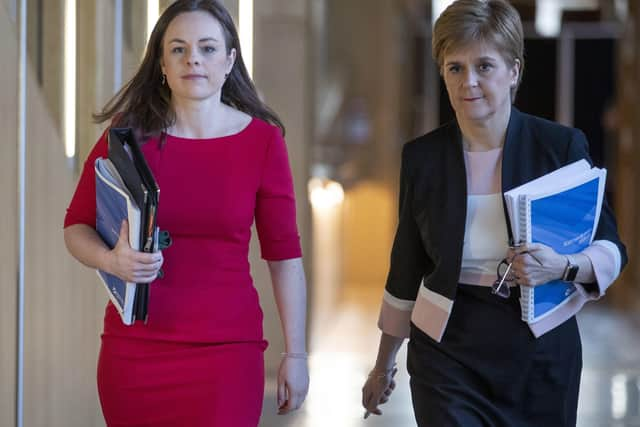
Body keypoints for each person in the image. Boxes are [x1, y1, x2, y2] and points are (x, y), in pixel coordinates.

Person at [361, 0, 627, 426]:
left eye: (484, 66)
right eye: (455, 68)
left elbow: (611, 246)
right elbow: (406, 269)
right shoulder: (422, 158)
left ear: (514, 71)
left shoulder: (558, 147)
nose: (468, 82)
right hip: (446, 352)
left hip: (539, 352)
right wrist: (383, 364)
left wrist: (563, 267)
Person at [63, 1, 309, 426]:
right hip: (135, 353)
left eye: (208, 48)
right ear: (161, 61)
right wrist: (110, 261)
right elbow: (75, 227)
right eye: (178, 48)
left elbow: (284, 259)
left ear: (230, 60)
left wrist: (297, 353)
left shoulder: (263, 142)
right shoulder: (126, 136)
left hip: (227, 354)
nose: (193, 58)